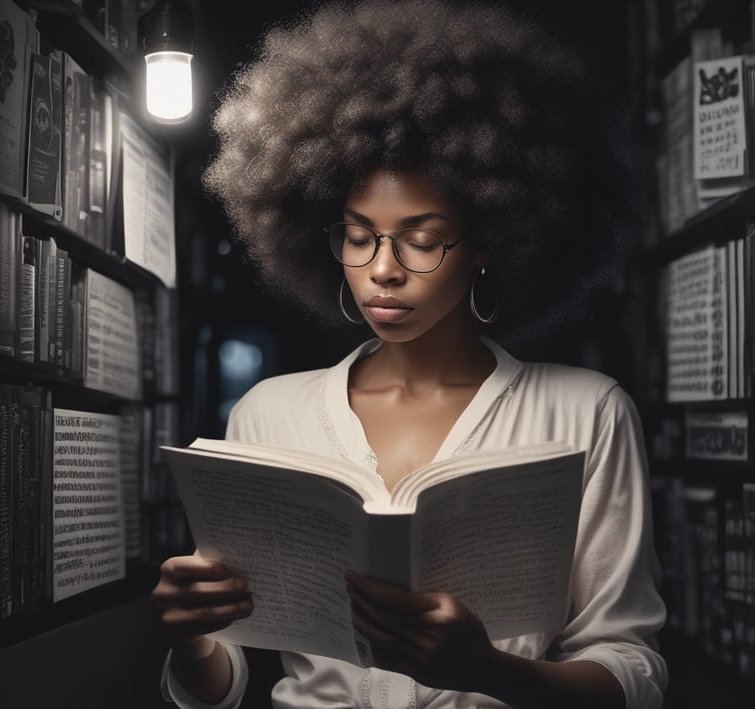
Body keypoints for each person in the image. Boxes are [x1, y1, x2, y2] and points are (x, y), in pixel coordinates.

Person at [151, 1, 667, 707]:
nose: (382, 271)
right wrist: (192, 639)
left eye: (421, 239)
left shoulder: (586, 412)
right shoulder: (267, 413)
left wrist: (489, 670)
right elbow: (225, 681)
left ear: (489, 242)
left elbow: (631, 668)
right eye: (359, 236)